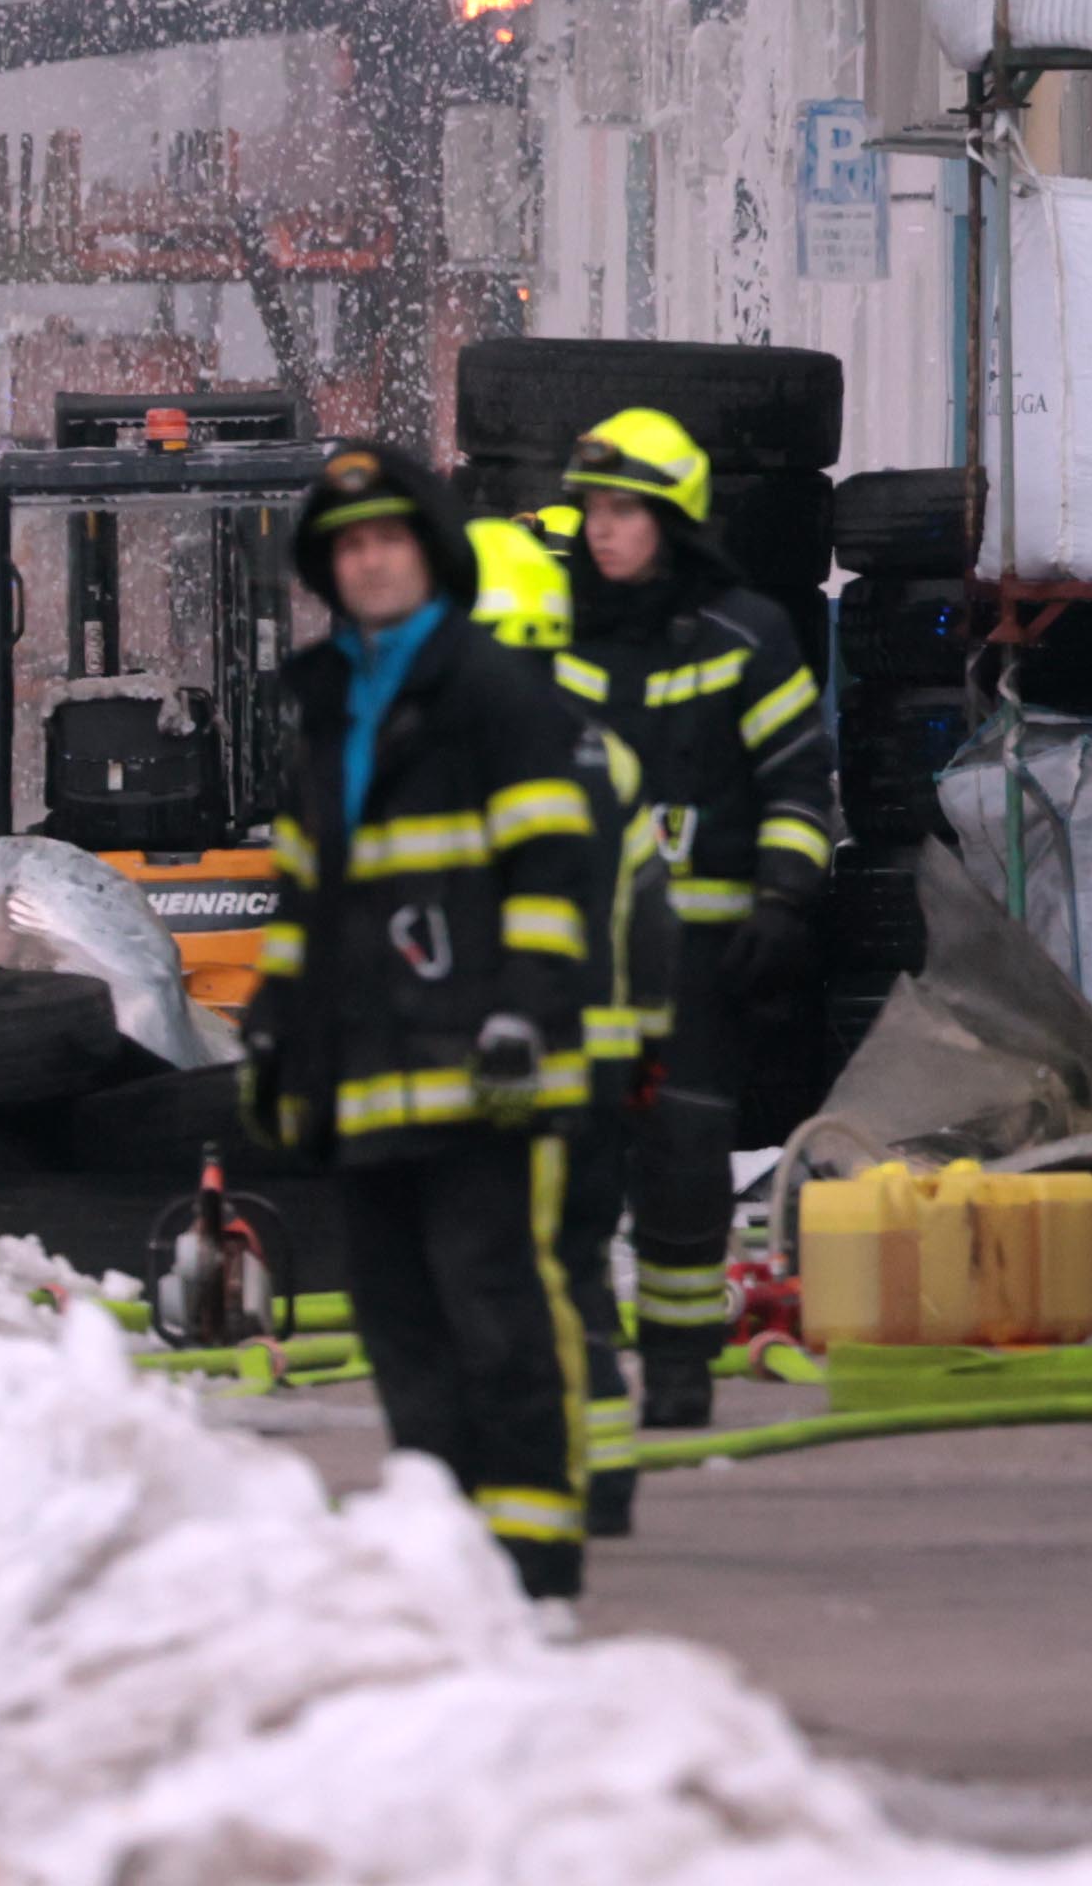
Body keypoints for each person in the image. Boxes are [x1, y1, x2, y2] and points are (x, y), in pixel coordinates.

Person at [245, 441, 598, 1601]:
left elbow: (555, 876)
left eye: (389, 539)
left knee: (495, 1313)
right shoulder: (324, 710)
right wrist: (272, 1029)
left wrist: (528, 1019)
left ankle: (535, 1563)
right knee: (398, 1327)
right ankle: (442, 1547)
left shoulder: (495, 691)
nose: (371, 562)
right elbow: (306, 900)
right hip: (361, 1079)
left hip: (479, 1075)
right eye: (350, 546)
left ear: (430, 553)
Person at [543, 409, 830, 1437]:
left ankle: (677, 1370)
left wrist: (785, 901)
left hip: (699, 968)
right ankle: (582, 1370)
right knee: (569, 1173)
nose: (603, 531)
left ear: (673, 518)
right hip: (574, 966)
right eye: (592, 511)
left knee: (684, 1168)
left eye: (624, 510)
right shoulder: (552, 634)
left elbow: (800, 785)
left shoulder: (749, 635)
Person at [465, 516, 666, 1536]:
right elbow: (652, 921)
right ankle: (608, 1471)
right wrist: (647, 1046)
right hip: (602, 1070)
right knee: (578, 1271)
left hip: (507, 1076)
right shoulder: (613, 763)